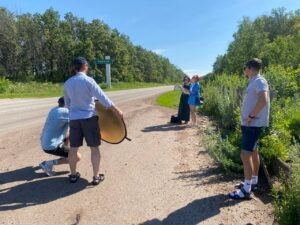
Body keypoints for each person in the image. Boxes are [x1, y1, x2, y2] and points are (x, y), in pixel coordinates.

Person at [64, 56, 123, 185]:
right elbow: (102, 97)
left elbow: (67, 104)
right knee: (94, 148)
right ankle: (96, 177)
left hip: (74, 120)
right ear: (85, 66)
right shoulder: (88, 81)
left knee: (73, 148)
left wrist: (74, 112)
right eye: (88, 66)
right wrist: (117, 110)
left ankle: (73, 175)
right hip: (89, 118)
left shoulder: (68, 83)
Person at [229, 58, 270, 200]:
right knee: (253, 152)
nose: (244, 70)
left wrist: (251, 116)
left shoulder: (259, 80)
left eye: (245, 68)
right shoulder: (254, 81)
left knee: (244, 154)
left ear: (250, 68)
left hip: (252, 125)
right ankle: (253, 181)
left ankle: (246, 190)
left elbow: (263, 100)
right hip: (252, 124)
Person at [40, 97, 81, 176]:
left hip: (45, 141)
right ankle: (48, 164)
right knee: (76, 157)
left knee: (70, 133)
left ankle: (66, 150)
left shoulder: (55, 109)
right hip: (52, 145)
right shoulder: (65, 112)